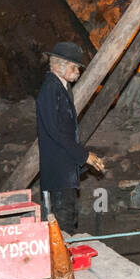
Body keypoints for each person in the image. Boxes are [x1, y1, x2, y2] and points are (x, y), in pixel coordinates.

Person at [36, 42, 105, 232]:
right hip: (57, 168)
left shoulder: (61, 88)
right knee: (62, 221)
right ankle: (62, 258)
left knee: (67, 215)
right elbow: (55, 131)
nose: (78, 71)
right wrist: (84, 156)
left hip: (64, 166)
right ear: (60, 65)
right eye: (74, 67)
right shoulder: (51, 89)